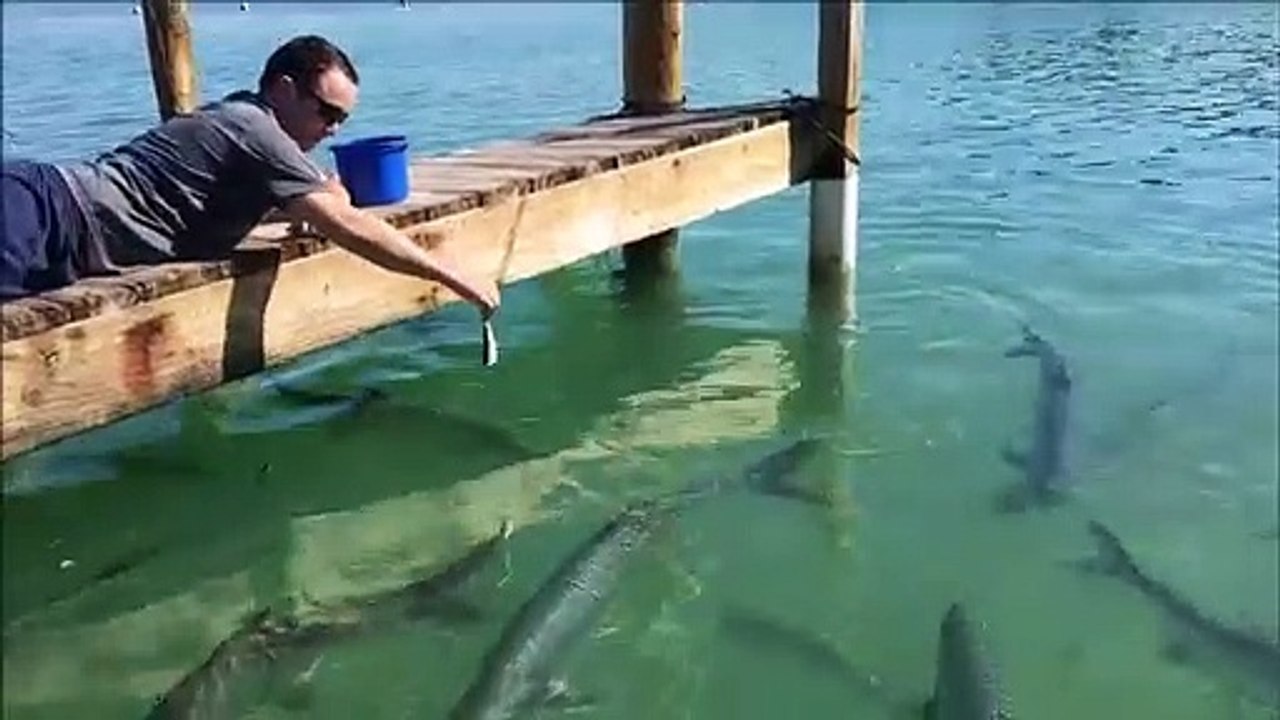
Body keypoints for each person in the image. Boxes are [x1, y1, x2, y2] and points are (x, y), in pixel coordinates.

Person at [0, 34, 500, 317]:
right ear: (283, 89)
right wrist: (453, 275)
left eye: (342, 121)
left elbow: (316, 195)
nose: (332, 131)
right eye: (327, 113)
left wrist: (319, 195)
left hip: (51, 228)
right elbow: (349, 227)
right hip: (41, 218)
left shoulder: (250, 127)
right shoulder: (253, 127)